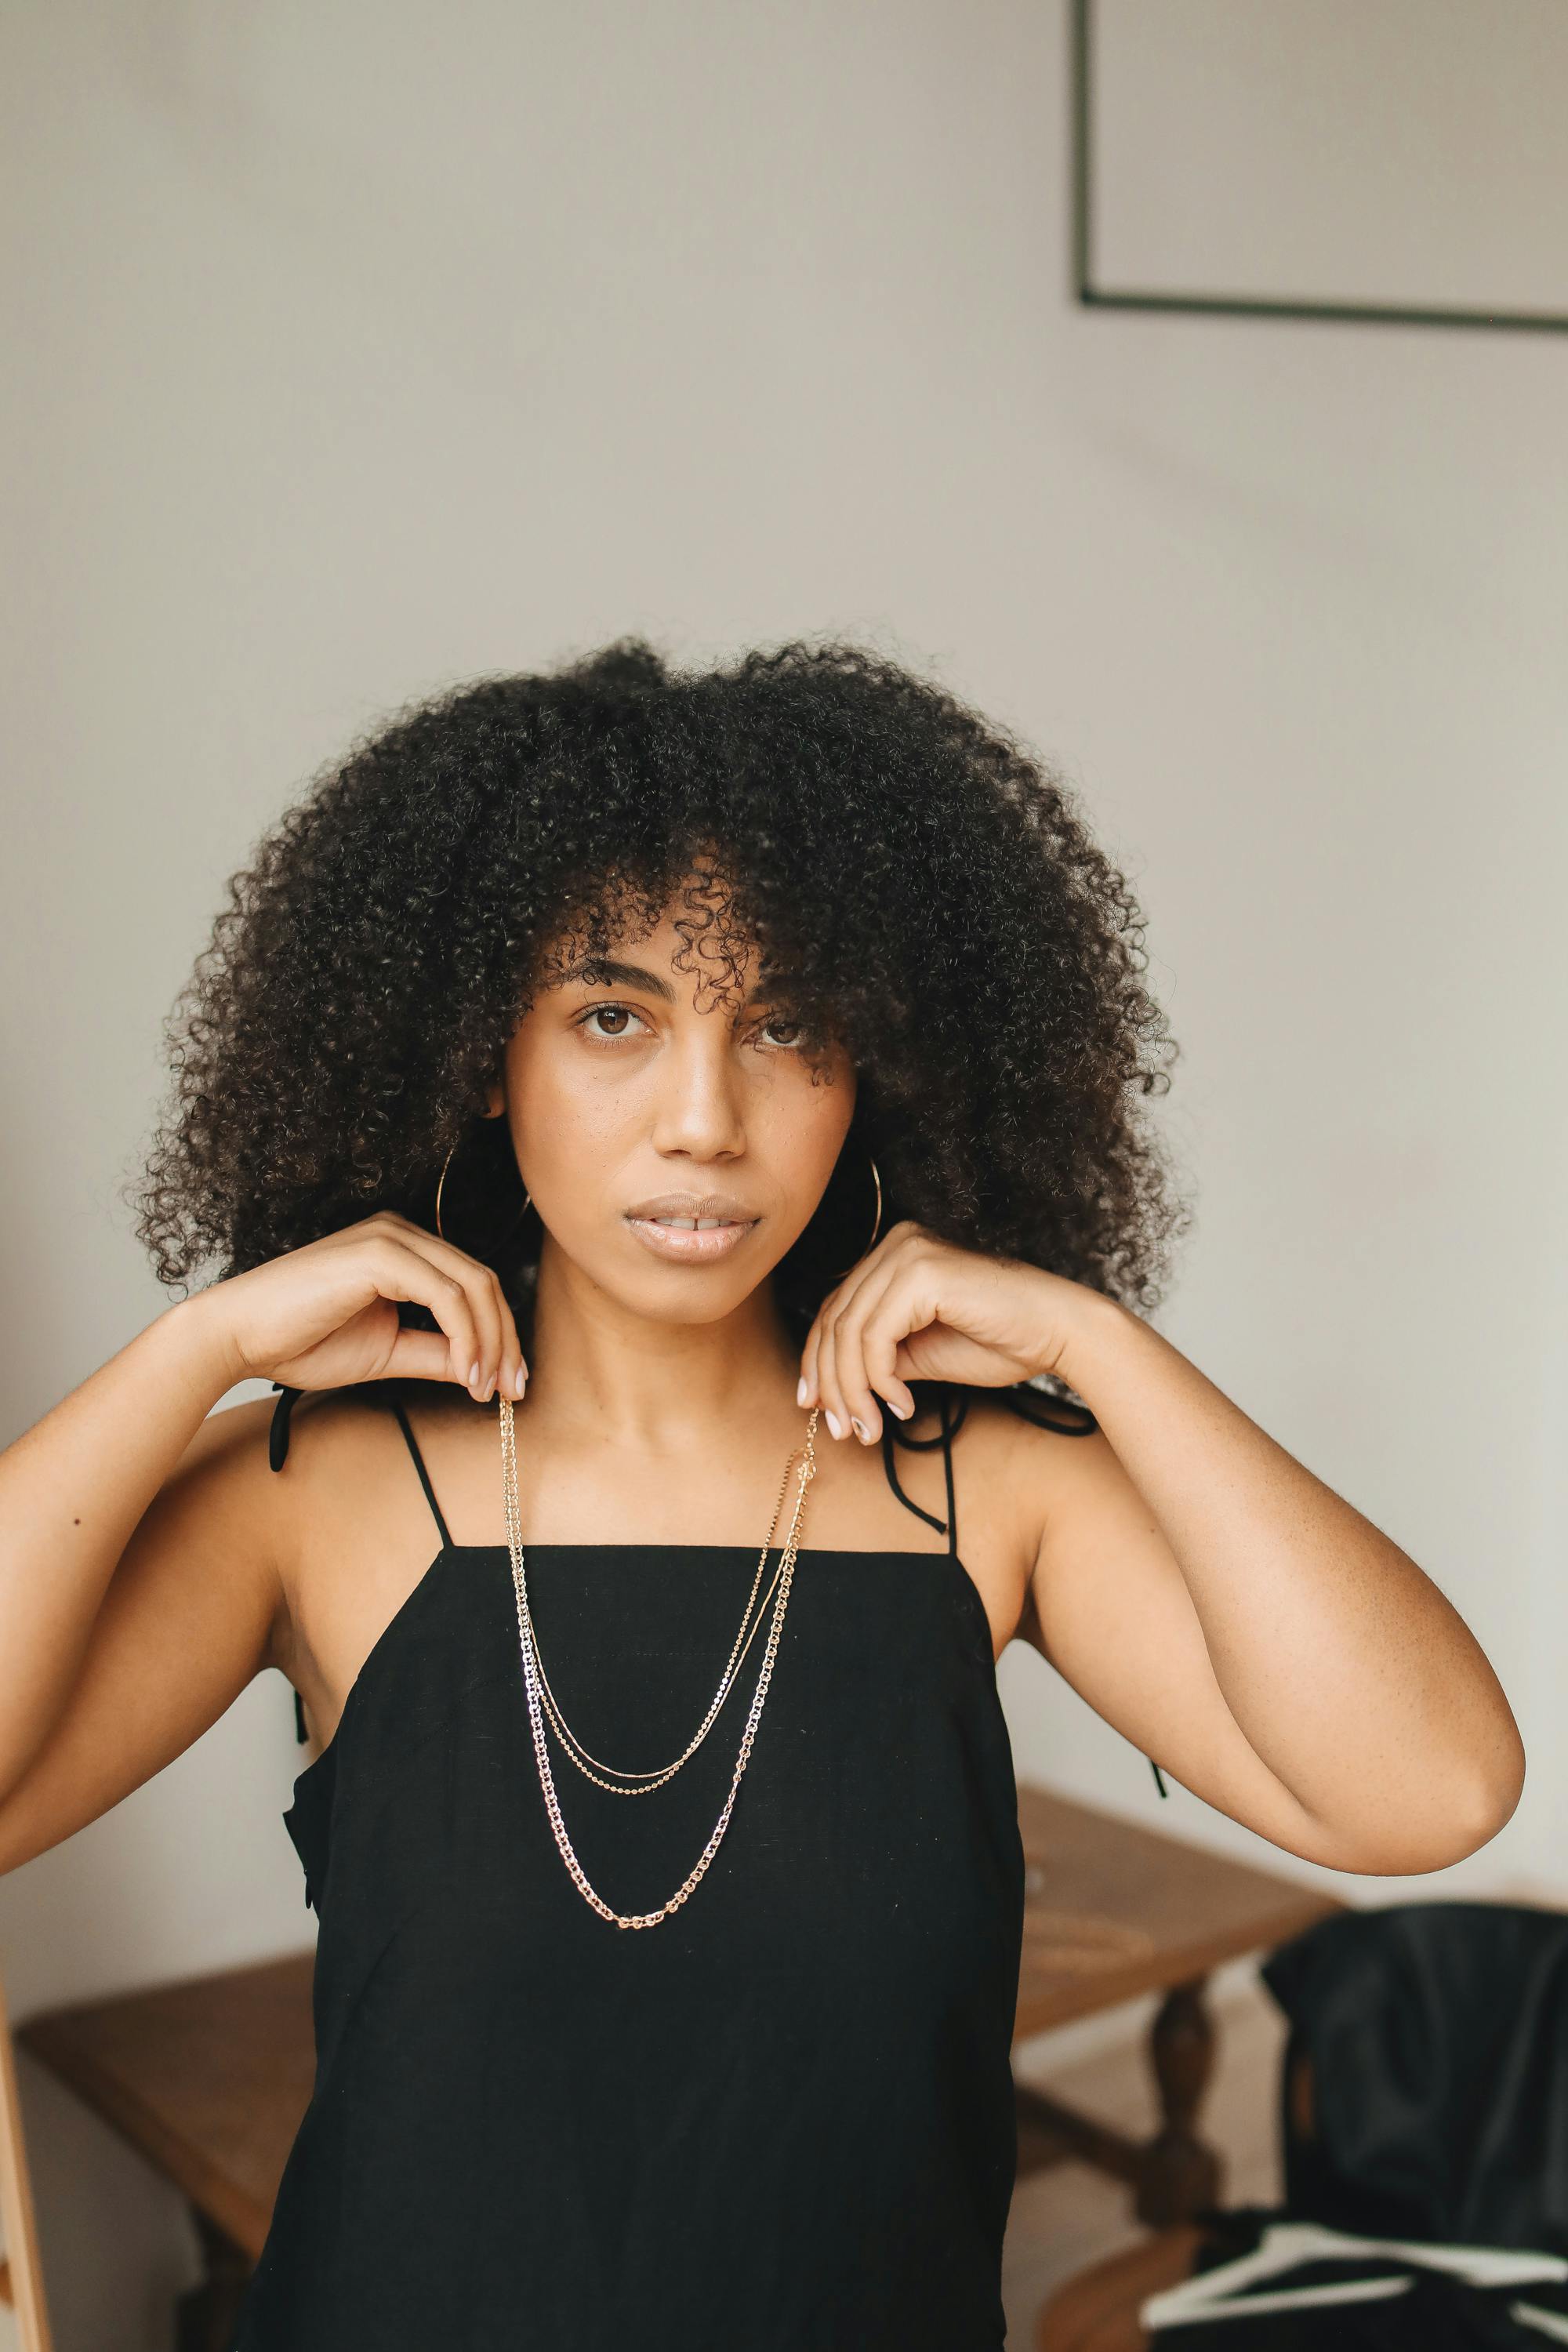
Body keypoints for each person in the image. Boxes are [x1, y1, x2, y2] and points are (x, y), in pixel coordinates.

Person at [0, 637, 1523, 2350]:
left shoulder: (987, 1493)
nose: (703, 1121)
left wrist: (1101, 1350)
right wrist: (190, 1354)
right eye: (610, 1020)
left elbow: (1432, 1792)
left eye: (783, 1023)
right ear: (481, 1060)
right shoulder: (323, 1489)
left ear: (875, 1068)